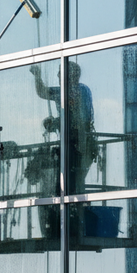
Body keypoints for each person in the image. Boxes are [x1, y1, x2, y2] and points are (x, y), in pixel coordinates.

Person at [30, 63, 95, 194]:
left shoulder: (79, 91)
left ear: (70, 75)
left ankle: (68, 208)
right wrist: (37, 76)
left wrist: (55, 122)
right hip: (73, 143)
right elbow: (42, 92)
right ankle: (69, 207)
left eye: (60, 72)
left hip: (77, 144)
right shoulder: (68, 91)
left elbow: (79, 119)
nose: (58, 75)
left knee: (68, 182)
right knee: (67, 182)